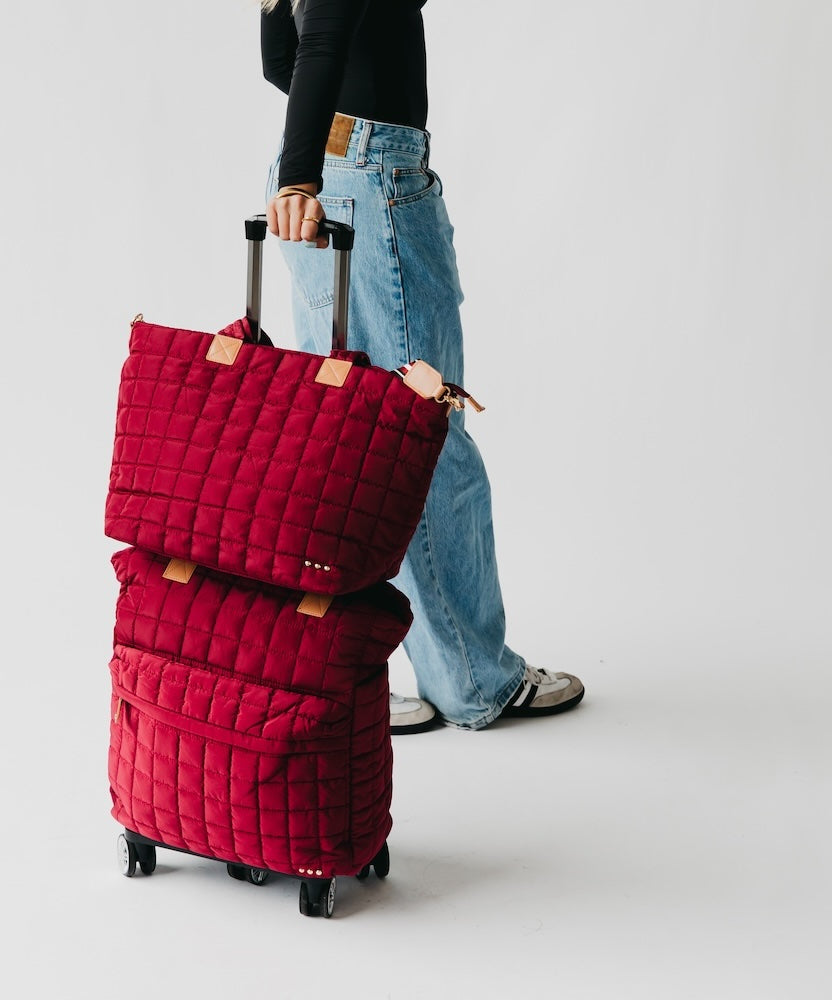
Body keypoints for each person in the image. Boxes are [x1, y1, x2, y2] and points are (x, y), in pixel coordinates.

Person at [260, 0, 584, 732]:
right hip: (367, 180)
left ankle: (343, 679)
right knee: (423, 438)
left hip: (330, 171)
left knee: (344, 438)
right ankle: (473, 681)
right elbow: (320, 48)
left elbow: (287, 59)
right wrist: (302, 180)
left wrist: (302, 171)